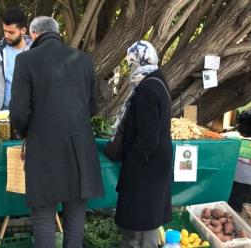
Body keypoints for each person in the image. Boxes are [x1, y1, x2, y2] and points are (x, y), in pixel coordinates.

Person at [9, 16, 104, 248]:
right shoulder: (83, 60)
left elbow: (18, 112)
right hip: (79, 146)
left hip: (43, 148)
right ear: (57, 32)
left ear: (33, 35)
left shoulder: (26, 60)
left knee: (43, 216)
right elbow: (93, 106)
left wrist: (27, 133)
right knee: (75, 214)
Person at [114, 41, 173, 248]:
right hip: (156, 162)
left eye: (131, 64)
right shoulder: (159, 81)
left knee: (140, 220)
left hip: (147, 165)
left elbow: (148, 138)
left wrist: (132, 163)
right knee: (147, 215)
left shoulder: (147, 89)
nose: (131, 68)